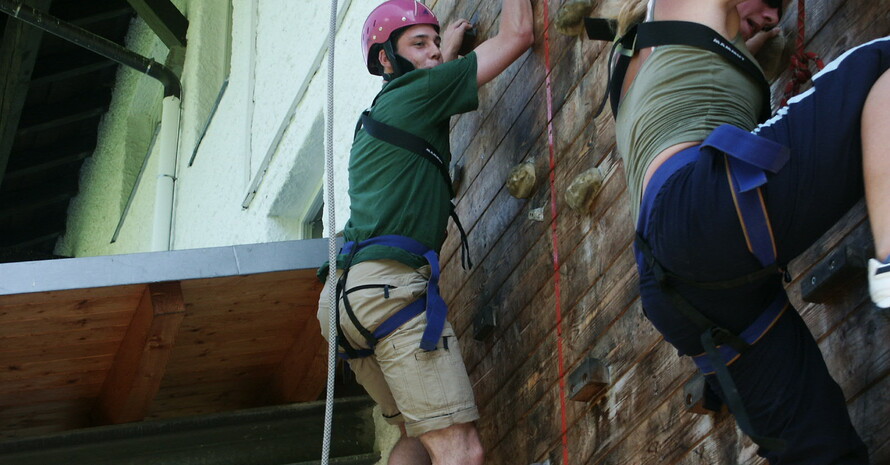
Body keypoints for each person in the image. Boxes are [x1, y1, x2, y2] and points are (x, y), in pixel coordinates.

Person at [594, 0, 889, 462]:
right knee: (881, 64)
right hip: (703, 215)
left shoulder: (648, 55)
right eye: (770, 0)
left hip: (675, 282)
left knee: (821, 453)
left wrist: (750, 46)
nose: (774, 16)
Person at [316, 1, 533, 464]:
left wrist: (443, 51)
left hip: (343, 303)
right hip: (388, 290)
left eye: (436, 42)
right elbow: (517, 37)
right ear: (386, 60)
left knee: (416, 438)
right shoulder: (416, 95)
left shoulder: (385, 112)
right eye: (420, 43)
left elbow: (432, 92)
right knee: (461, 451)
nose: (434, 52)